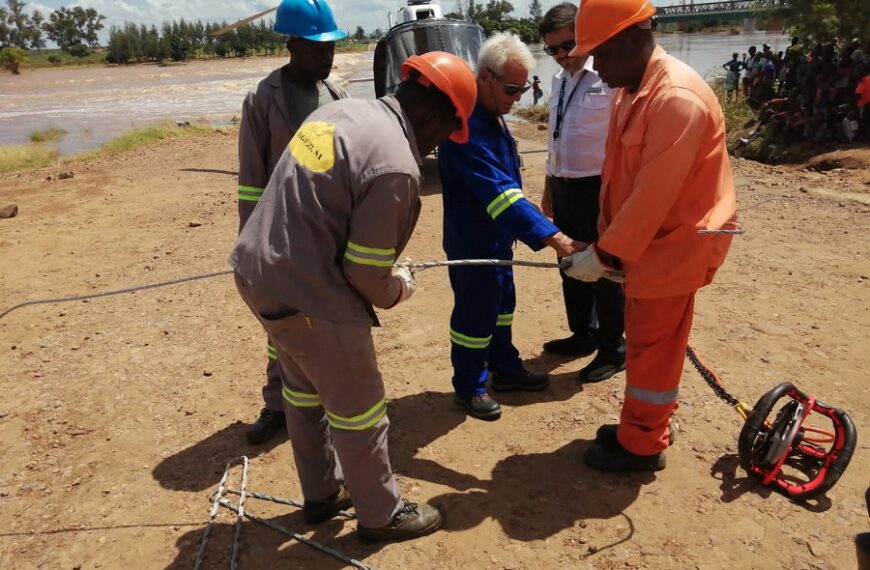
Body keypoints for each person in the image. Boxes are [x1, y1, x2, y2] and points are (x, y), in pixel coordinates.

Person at [230, 51, 477, 540]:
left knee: (302, 392)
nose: (437, 147)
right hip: (310, 296)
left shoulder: (341, 112)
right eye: (446, 134)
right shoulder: (396, 165)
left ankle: (322, 493)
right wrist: (399, 286)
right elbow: (365, 274)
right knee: (359, 408)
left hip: (259, 274)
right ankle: (381, 514)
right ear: (433, 117)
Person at [563, 0, 737, 472]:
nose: (596, 67)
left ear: (631, 39)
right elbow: (623, 178)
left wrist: (606, 253)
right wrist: (611, 246)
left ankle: (642, 444)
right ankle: (643, 425)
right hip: (647, 246)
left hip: (673, 247)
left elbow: (653, 195)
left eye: (600, 54)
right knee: (646, 343)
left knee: (653, 351)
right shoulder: (633, 89)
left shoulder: (675, 99)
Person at [437, 32, 583, 421]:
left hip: (498, 239)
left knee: (502, 307)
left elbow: (509, 183)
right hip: (473, 242)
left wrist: (538, 218)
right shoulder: (465, 127)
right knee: (474, 315)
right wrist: (557, 239)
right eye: (512, 89)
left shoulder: (493, 116)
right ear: (485, 77)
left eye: (522, 90)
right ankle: (469, 386)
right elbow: (500, 194)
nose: (517, 98)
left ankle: (505, 367)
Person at [237, 0, 349, 445]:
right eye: (318, 48)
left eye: (331, 47)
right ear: (292, 45)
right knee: (280, 322)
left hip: (328, 234)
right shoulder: (264, 100)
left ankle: (325, 399)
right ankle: (277, 404)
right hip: (279, 236)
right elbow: (251, 181)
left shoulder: (338, 98)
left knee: (328, 321)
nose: (327, 56)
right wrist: (252, 245)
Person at [537, 2, 626, 382]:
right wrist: (549, 186)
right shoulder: (559, 80)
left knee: (604, 269)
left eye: (567, 45)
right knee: (570, 264)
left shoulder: (609, 77)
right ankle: (582, 334)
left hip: (598, 187)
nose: (561, 55)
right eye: (552, 49)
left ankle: (613, 348)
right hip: (563, 186)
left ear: (585, 36)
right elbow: (555, 139)